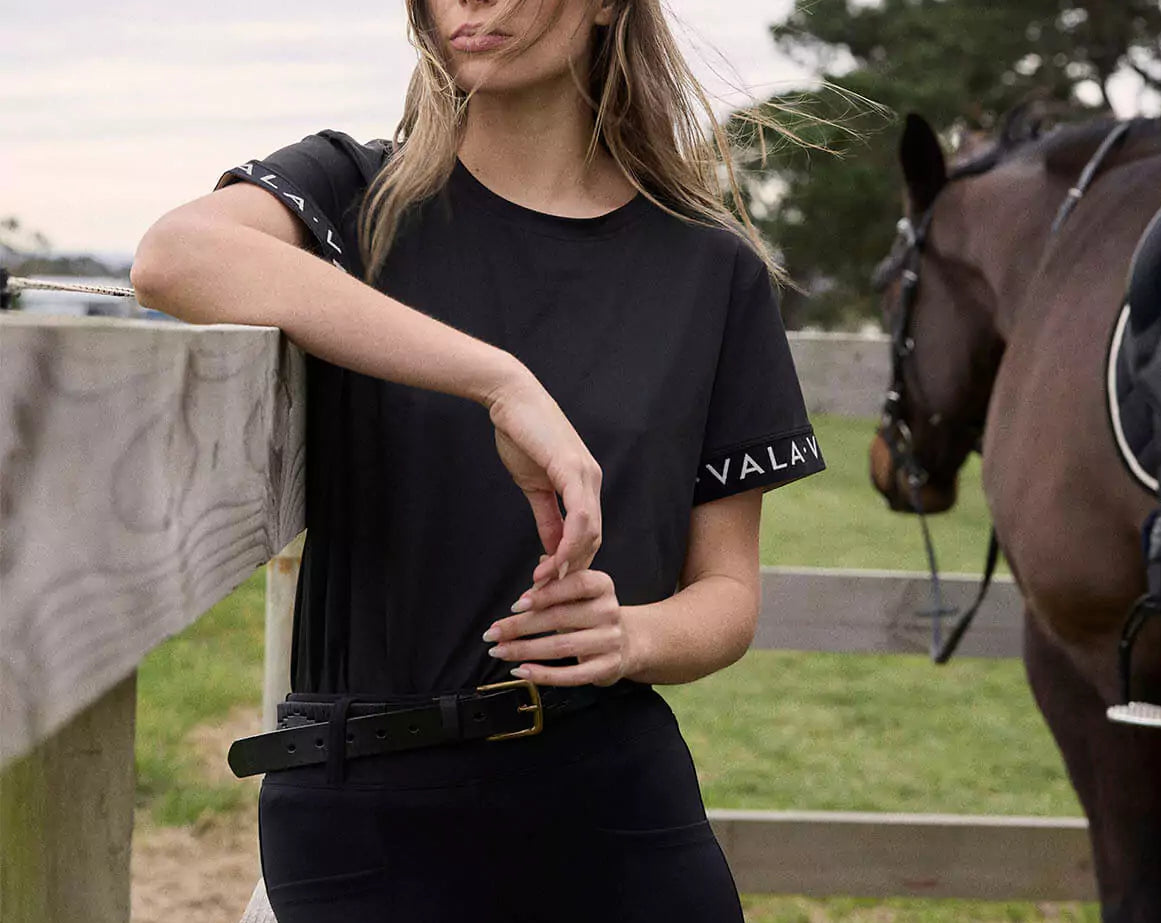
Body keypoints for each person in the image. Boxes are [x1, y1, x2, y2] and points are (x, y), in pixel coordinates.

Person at [131, 1, 825, 920]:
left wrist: (632, 638)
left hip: (612, 795)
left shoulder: (712, 268)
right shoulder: (352, 194)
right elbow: (174, 257)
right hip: (367, 807)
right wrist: (499, 382)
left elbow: (729, 595)